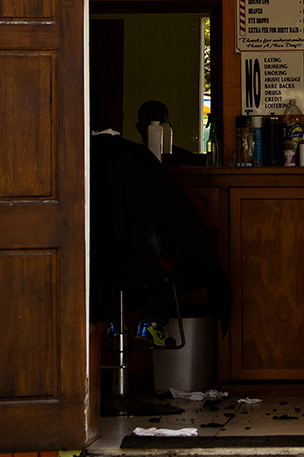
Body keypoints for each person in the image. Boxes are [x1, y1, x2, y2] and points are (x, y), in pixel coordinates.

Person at [89, 130, 231, 347]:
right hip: (149, 263)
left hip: (99, 266)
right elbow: (182, 224)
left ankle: (112, 322)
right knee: (175, 252)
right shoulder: (139, 158)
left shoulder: (89, 163)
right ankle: (152, 321)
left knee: (104, 259)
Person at [136, 99, 199, 165]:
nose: (157, 128)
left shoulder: (184, 157)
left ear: (168, 126)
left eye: (161, 123)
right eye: (149, 123)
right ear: (139, 127)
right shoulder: (131, 157)